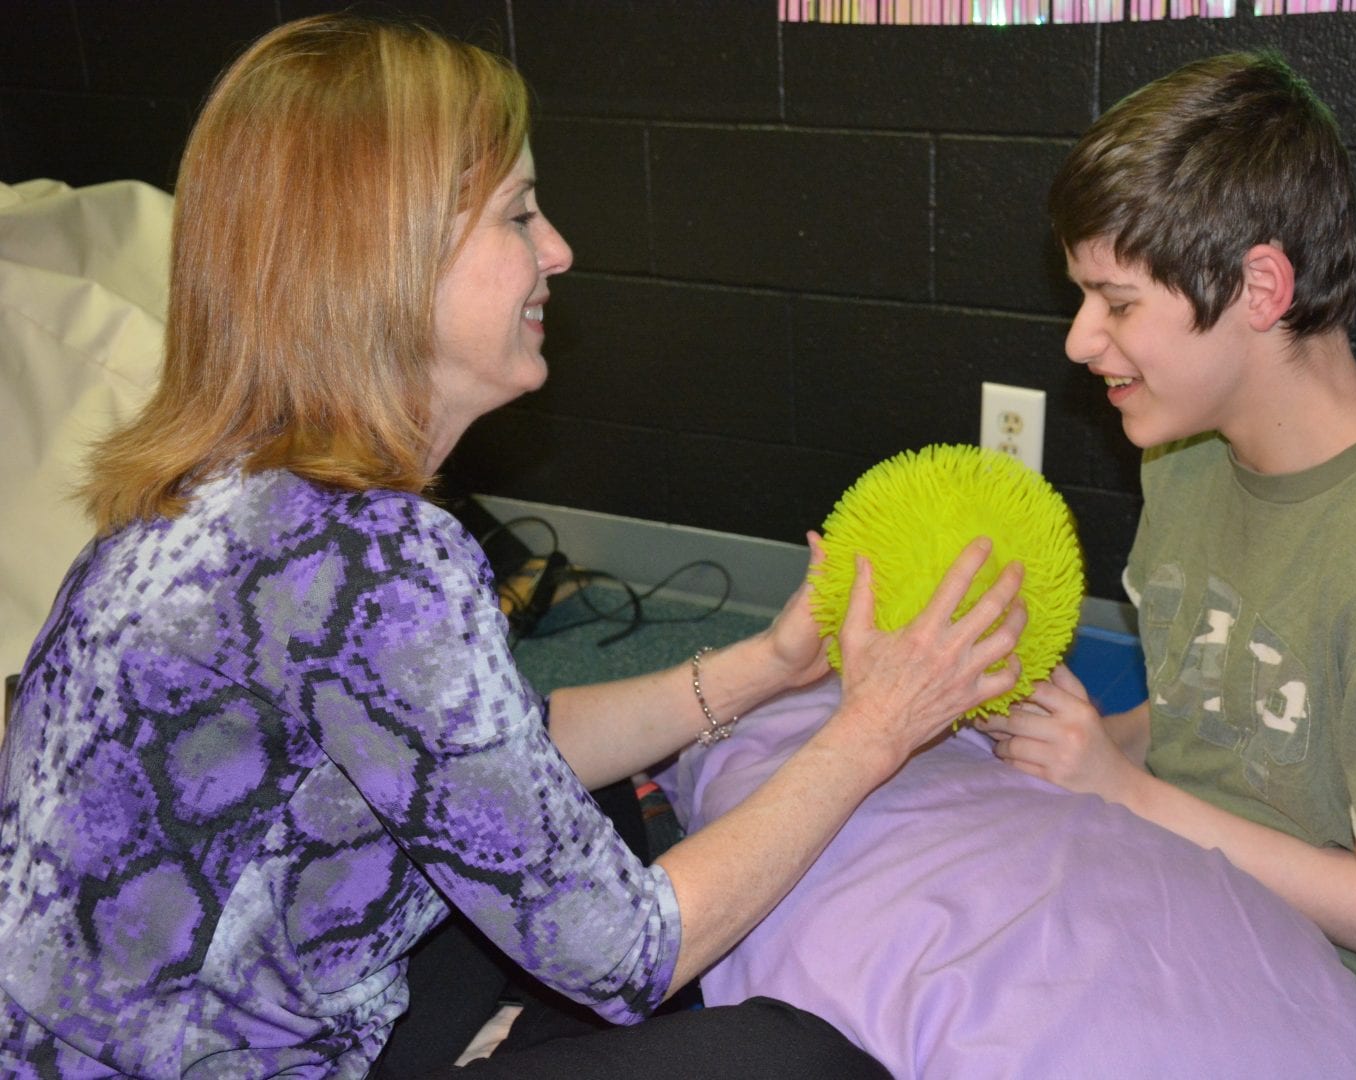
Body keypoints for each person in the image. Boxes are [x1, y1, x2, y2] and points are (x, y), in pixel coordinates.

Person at [0, 15, 1030, 1078]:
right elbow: (632, 955)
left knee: (581, 813)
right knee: (790, 1060)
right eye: (520, 214)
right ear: (384, 257)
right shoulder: (370, 562)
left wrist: (767, 667)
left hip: (160, 1008)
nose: (559, 250)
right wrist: (876, 727)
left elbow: (494, 750)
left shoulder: (231, 488)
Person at [976, 51, 1356, 1080]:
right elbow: (1224, 712)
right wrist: (1088, 742)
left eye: (1115, 302)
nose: (1078, 341)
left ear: (1260, 288)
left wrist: (1121, 791)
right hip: (1194, 884)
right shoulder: (1185, 459)